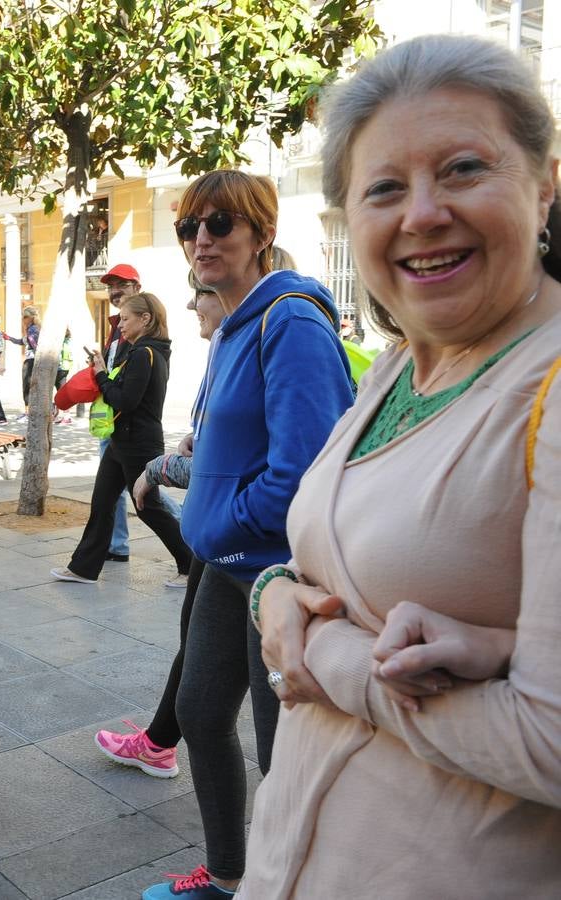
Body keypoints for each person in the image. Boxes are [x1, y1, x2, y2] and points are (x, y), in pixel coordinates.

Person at [243, 35, 561, 896]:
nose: (421, 213)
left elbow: (550, 742)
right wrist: (273, 591)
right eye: (385, 188)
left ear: (546, 183)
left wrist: (332, 658)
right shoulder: (400, 363)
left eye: (462, 169)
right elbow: (328, 551)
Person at [138, 170, 354, 900]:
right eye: (191, 225)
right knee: (199, 712)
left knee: (281, 753)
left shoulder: (289, 322)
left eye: (222, 222)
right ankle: (229, 874)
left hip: (277, 576)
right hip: (226, 565)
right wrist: (178, 479)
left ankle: (287, 884)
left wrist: (218, 521)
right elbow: (225, 450)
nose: (203, 237)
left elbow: (304, 474)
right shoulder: (233, 323)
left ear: (262, 234)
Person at [95, 277, 223, 779]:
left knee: (220, 677)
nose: (194, 301)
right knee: (195, 655)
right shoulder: (226, 346)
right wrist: (196, 438)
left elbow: (125, 399)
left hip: (243, 554)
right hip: (225, 544)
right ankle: (158, 744)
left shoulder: (148, 354)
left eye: (206, 289)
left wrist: (158, 468)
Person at [51, 293, 193, 587]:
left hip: (137, 442)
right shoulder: (144, 351)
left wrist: (101, 375)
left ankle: (191, 565)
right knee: (102, 502)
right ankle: (84, 568)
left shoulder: (144, 353)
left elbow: (125, 401)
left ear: (146, 319)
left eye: (126, 319)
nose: (121, 325)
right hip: (122, 441)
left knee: (148, 508)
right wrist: (104, 368)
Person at [2, 306, 40, 422]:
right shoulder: (34, 328)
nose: (23, 320)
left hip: (31, 361)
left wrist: (30, 339)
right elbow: (22, 341)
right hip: (33, 360)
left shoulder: (32, 329)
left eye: (25, 317)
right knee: (31, 387)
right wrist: (8, 338)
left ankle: (28, 413)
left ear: (30, 318)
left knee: (27, 387)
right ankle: (29, 413)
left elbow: (33, 343)